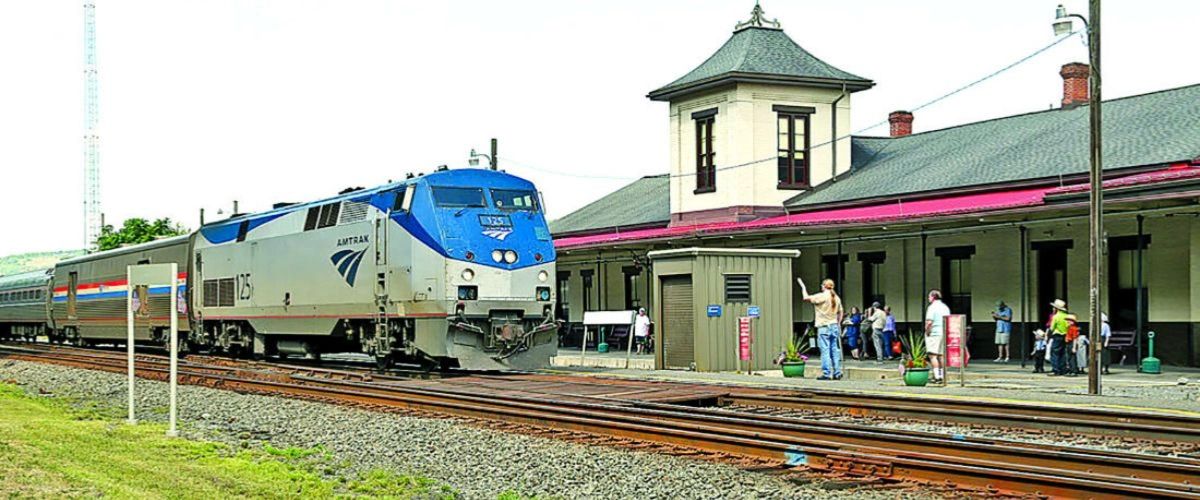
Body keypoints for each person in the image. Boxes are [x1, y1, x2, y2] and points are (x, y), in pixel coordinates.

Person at [798, 277, 844, 380]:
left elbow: (806, 298)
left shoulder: (822, 296)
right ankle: (837, 372)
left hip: (823, 326)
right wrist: (838, 322)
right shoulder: (836, 298)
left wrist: (803, 286)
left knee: (825, 351)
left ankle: (826, 373)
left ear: (823, 286)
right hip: (834, 325)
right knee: (835, 350)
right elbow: (841, 312)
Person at [924, 289, 951, 384]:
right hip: (944, 332)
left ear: (933, 297)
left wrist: (927, 332)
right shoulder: (945, 307)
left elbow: (929, 322)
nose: (928, 298)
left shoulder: (932, 307)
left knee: (933, 356)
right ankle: (943, 376)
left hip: (934, 333)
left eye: (929, 296)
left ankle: (937, 376)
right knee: (941, 355)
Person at [1047, 299, 1074, 376]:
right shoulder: (1067, 316)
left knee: (1055, 353)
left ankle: (1056, 369)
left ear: (1056, 308)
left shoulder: (1056, 317)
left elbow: (1052, 328)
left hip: (1057, 335)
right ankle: (1063, 369)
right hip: (1065, 336)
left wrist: (1048, 336)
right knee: (1063, 353)